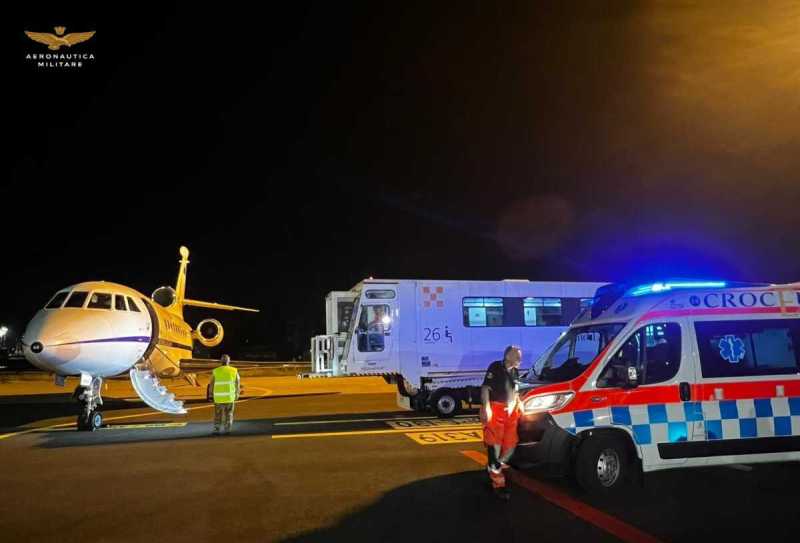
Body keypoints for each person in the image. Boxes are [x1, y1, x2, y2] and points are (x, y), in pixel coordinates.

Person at [480, 345, 523, 499]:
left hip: (511, 413)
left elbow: (515, 390)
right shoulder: (496, 367)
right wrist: (486, 407)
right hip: (496, 411)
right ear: (508, 356)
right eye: (517, 356)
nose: (520, 359)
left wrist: (519, 403)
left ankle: (494, 465)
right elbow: (485, 388)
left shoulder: (515, 371)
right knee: (494, 446)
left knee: (510, 446)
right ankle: (498, 483)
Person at [210, 354, 240, 435]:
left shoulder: (216, 371)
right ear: (229, 361)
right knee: (229, 414)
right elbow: (237, 383)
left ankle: (216, 429)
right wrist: (237, 393)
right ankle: (227, 429)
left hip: (218, 398)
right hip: (229, 397)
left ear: (221, 361)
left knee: (217, 414)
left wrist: (210, 394)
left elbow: (211, 384)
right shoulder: (234, 370)